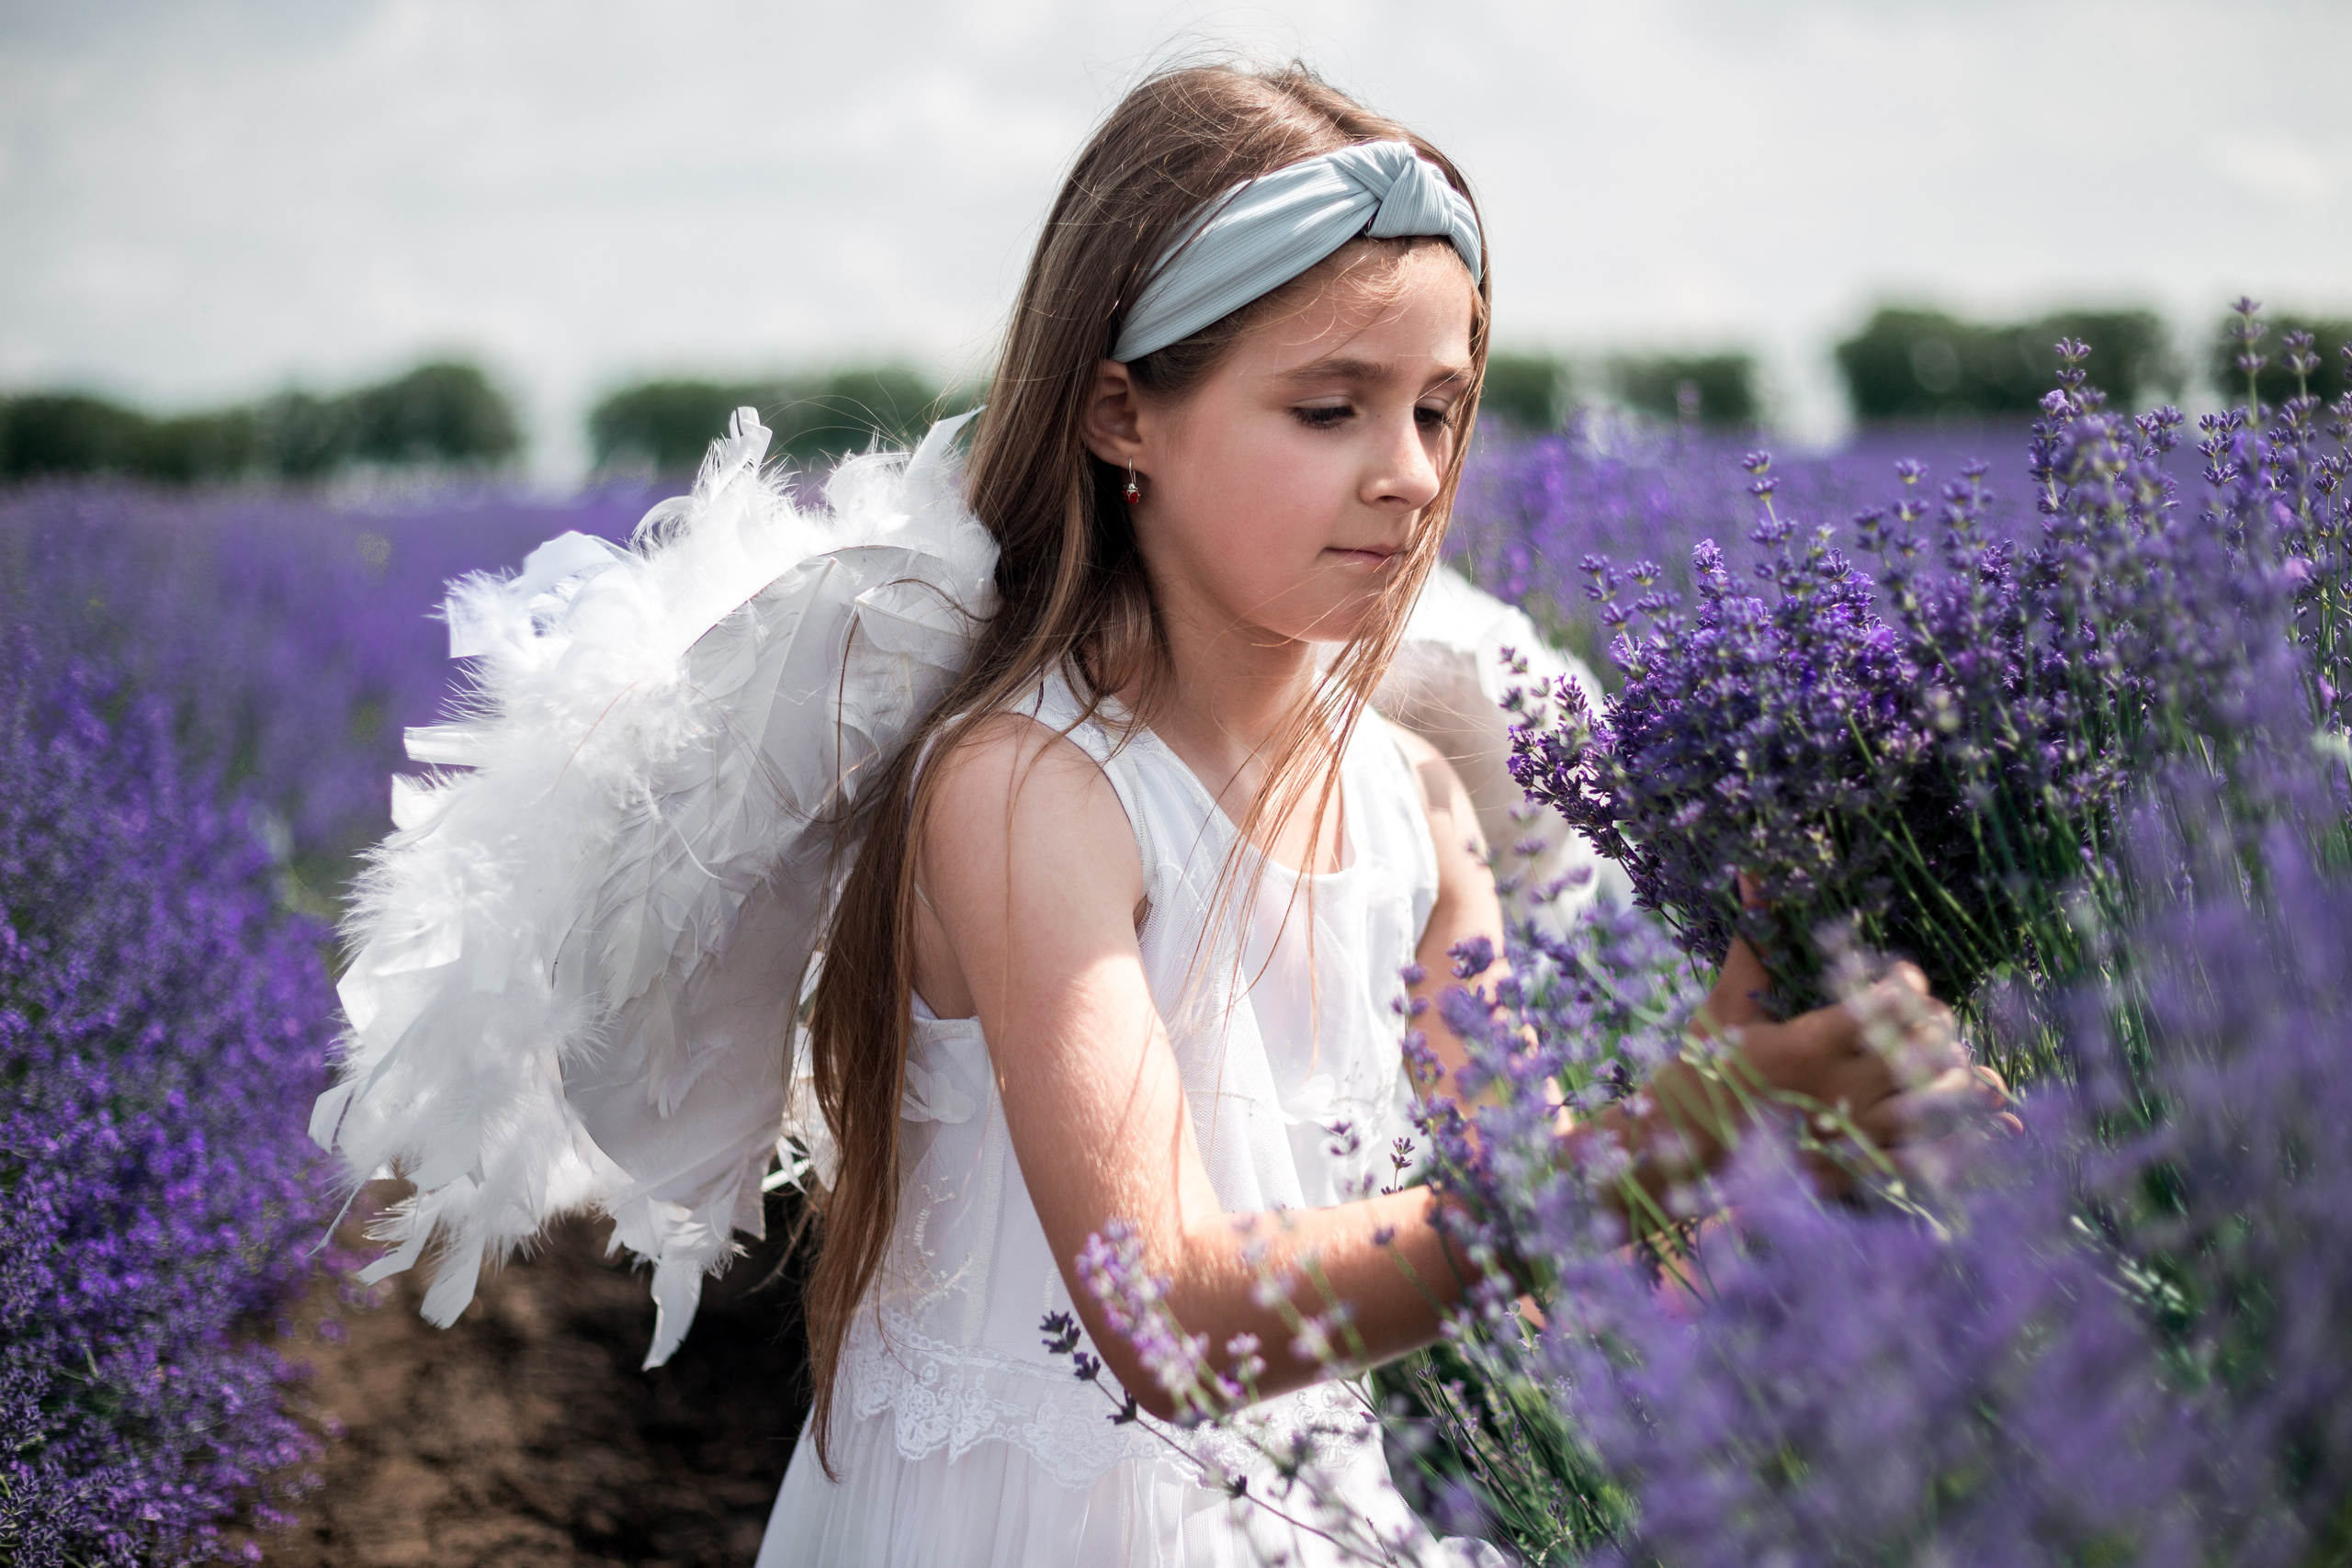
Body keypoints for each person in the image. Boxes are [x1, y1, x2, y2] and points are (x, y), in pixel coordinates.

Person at [754, 61, 1986, 1567]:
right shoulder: (1029, 789)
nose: (1408, 476)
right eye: (1330, 408)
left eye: (1440, 411)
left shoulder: (1414, 802)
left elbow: (1530, 1250)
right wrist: (1683, 1129)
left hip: (1302, 1522)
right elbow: (1167, 1317)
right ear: (1120, 414)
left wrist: (1756, 1094)